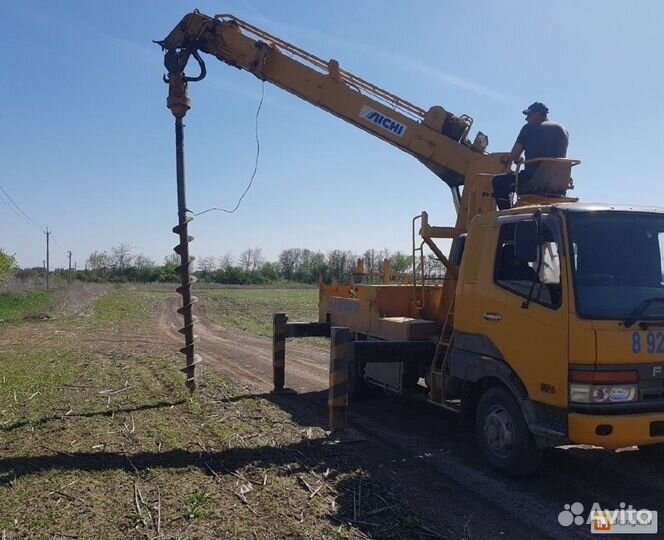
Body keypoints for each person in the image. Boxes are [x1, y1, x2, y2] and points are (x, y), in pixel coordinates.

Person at [493, 102, 569, 210]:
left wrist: (518, 160)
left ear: (537, 114)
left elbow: (514, 155)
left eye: (528, 115)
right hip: (558, 183)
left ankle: (506, 219)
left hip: (533, 180)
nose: (526, 119)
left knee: (498, 182)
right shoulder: (563, 129)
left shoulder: (529, 128)